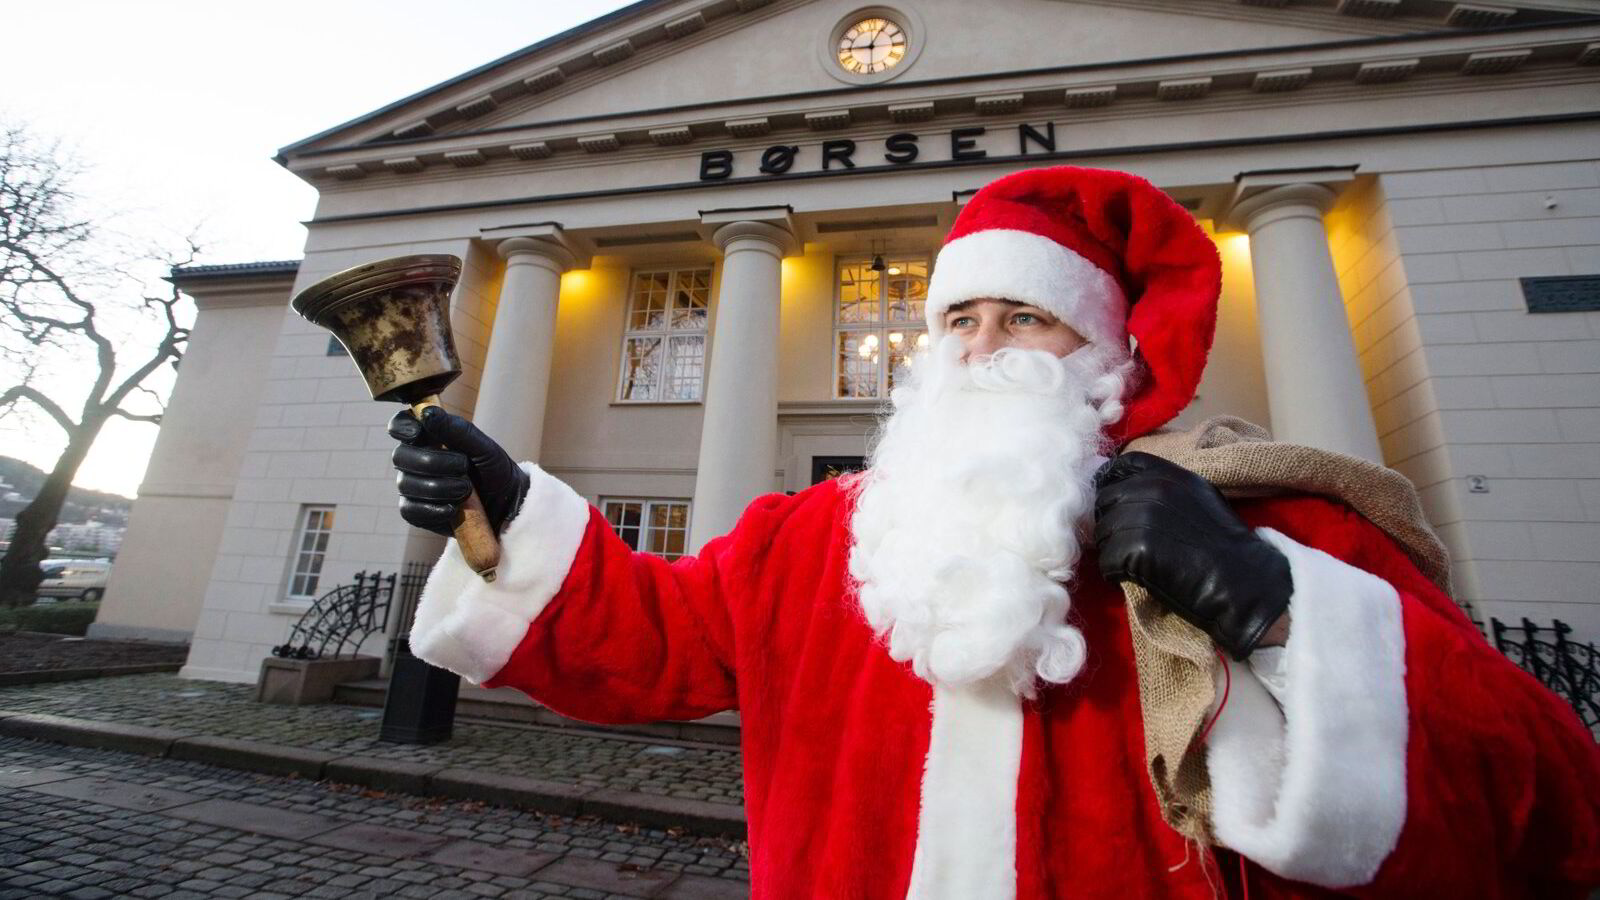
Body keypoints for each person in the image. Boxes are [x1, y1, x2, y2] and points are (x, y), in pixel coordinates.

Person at [390, 166, 1600, 898]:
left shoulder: (1272, 520)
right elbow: (646, 639)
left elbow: (1541, 793)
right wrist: (516, 518)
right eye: (957, 315)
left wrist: (1269, 604)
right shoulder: (816, 536)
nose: (976, 347)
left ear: (1108, 359)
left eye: (1023, 317)